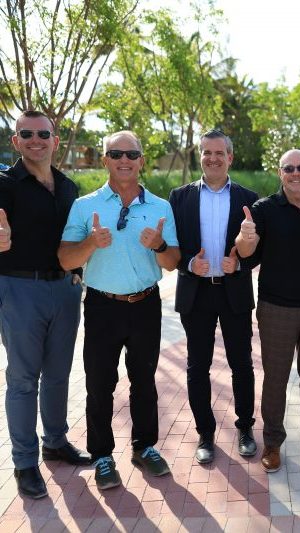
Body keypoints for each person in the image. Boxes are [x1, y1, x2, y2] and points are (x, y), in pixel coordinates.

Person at [58, 130, 180, 490]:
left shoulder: (161, 207)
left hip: (145, 305)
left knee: (144, 382)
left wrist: (159, 245)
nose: (124, 160)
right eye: (116, 154)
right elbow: (66, 259)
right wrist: (90, 243)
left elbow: (173, 263)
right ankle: (102, 456)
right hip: (101, 306)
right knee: (99, 383)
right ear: (105, 159)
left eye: (132, 154)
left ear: (142, 160)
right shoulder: (85, 206)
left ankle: (145, 446)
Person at [0, 110, 90, 499]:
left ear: (55, 140)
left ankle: (55, 441)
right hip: (19, 290)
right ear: (15, 141)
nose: (35, 139)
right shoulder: (3, 185)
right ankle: (24, 463)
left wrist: (80, 274)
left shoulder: (69, 187)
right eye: (26, 133)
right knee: (22, 380)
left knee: (58, 374)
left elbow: (74, 239)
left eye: (43, 133)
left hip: (65, 289)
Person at [235, 149, 300, 473]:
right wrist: (244, 238)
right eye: (289, 168)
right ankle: (273, 442)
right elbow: (248, 255)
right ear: (280, 173)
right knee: (276, 379)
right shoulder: (264, 209)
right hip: (275, 307)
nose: (296, 173)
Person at [168, 129, 259, 464]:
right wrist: (190, 262)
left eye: (220, 153)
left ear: (230, 157)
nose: (213, 158)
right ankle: (205, 434)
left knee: (242, 364)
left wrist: (241, 262)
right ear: (200, 156)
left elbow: (258, 248)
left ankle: (246, 428)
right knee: (197, 367)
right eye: (207, 152)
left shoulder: (249, 197)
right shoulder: (180, 197)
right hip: (197, 293)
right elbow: (171, 247)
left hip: (234, 293)